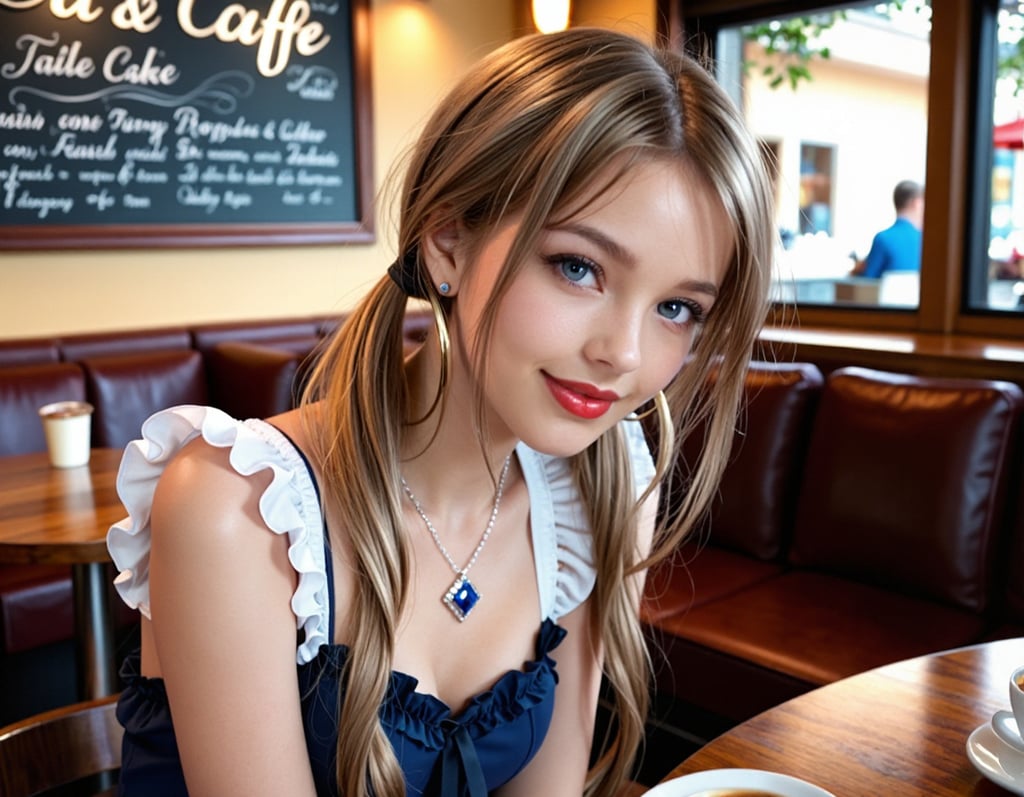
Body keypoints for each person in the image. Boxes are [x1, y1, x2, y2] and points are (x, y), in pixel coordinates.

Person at [106, 27, 775, 797]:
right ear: (449, 240)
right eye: (578, 267)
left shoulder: (608, 487)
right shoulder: (237, 508)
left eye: (678, 307)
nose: (624, 353)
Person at [852, 179, 925, 278]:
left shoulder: (883, 238)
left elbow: (868, 277)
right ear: (917, 203)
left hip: (887, 293)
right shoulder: (924, 239)